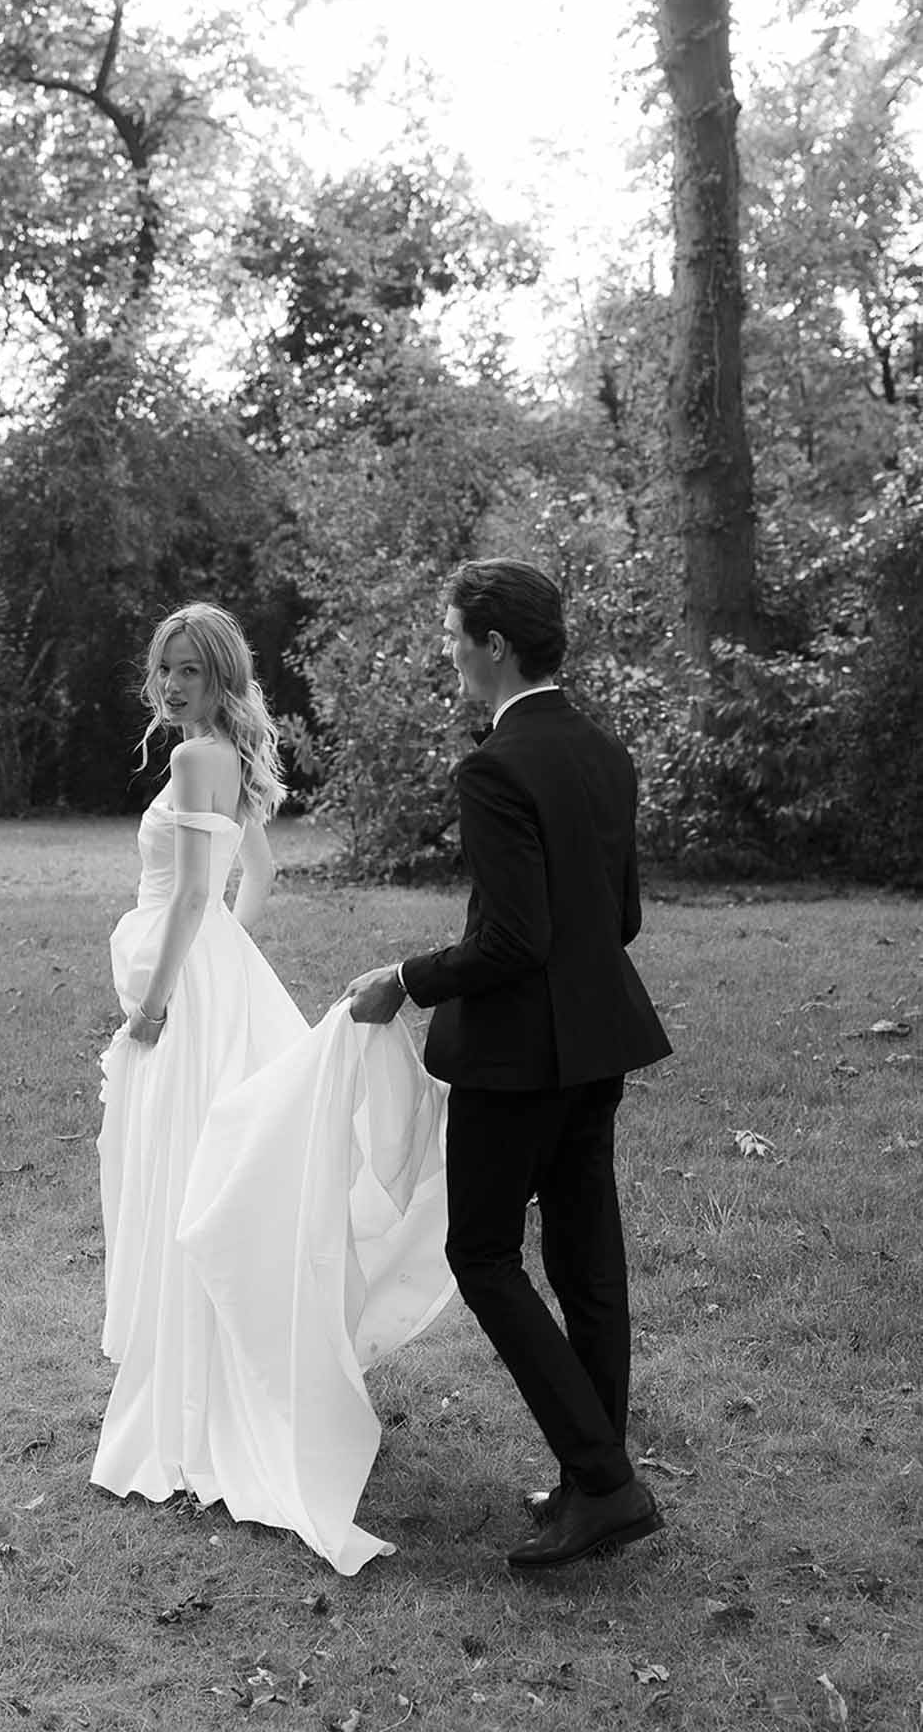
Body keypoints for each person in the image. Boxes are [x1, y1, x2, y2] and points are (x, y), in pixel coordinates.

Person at [93, 602, 454, 1575]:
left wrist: (162, 999)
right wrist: (225, 948)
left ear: (221, 680)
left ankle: (196, 1400)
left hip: (191, 996)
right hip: (219, 979)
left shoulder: (193, 761)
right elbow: (253, 874)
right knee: (211, 1171)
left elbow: (192, 903)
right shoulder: (221, 757)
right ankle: (200, 1378)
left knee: (191, 1175)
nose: (171, 685)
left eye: (191, 672)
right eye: (163, 667)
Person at [345, 559, 673, 1571]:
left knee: (482, 1253)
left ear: (493, 645)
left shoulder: (492, 767)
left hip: (518, 1057)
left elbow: (510, 942)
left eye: (452, 635)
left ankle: (606, 1482)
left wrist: (405, 973)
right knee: (586, 1263)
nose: (446, 650)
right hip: (597, 1039)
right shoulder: (603, 750)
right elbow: (616, 916)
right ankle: (592, 1481)